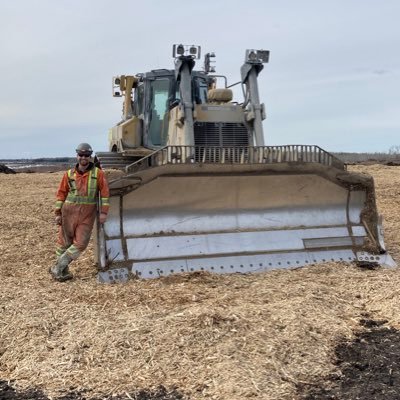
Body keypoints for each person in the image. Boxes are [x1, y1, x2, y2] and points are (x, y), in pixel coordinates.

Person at [50, 143, 110, 281]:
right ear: (77, 156)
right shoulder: (69, 174)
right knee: (64, 242)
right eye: (81, 155)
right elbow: (61, 194)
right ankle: (62, 272)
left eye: (87, 155)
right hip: (68, 212)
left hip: (87, 215)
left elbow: (105, 195)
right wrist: (58, 213)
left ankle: (58, 266)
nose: (83, 157)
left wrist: (104, 213)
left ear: (90, 157)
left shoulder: (98, 174)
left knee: (81, 244)